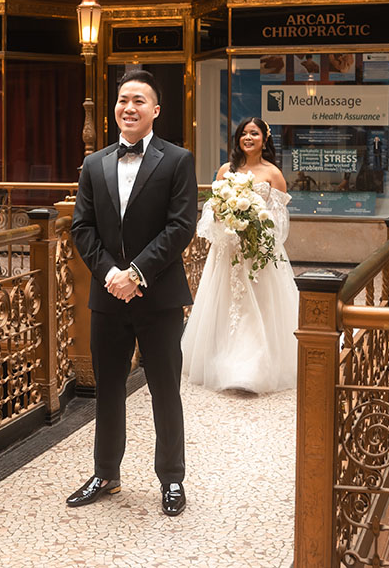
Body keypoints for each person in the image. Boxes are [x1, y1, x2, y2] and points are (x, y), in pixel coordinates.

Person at [68, 70, 198, 517]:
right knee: (107, 389)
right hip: (107, 297)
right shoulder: (94, 163)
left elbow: (181, 227)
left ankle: (172, 479)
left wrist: (137, 273)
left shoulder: (178, 160)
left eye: (139, 101)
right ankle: (106, 473)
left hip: (158, 296)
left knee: (165, 389)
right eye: (124, 100)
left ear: (155, 110)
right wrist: (111, 274)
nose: (129, 107)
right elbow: (81, 227)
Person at [182, 117, 298, 394]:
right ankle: (223, 362)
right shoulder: (225, 170)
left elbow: (280, 221)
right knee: (227, 304)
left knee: (260, 305)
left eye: (254, 133)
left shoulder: (274, 174)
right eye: (244, 133)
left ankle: (254, 368)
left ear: (264, 139)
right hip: (228, 250)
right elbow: (211, 209)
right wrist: (226, 221)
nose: (248, 138)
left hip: (258, 251)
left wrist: (258, 231)